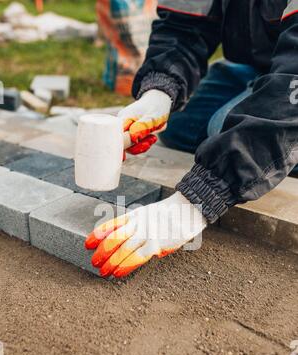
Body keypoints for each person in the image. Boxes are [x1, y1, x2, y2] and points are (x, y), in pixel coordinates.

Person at [86, 0, 298, 278]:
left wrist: (197, 200)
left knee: (221, 130)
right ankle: (254, 88)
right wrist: (159, 92)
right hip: (266, 61)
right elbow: (183, 26)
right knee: (181, 127)